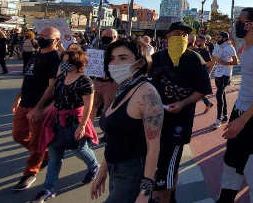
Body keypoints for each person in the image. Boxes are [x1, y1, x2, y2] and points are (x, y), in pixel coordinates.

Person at [91, 39, 163, 203]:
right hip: (114, 168)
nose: (115, 63)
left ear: (140, 62)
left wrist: (145, 191)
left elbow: (153, 147)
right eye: (112, 58)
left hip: (133, 173)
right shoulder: (123, 88)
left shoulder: (147, 94)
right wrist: (103, 170)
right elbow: (113, 136)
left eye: (123, 58)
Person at [149, 22, 212, 203]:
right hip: (155, 120)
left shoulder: (195, 60)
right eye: (177, 34)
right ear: (167, 37)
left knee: (169, 165)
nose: (181, 38)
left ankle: (165, 196)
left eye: (185, 35)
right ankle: (169, 195)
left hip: (180, 122)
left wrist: (183, 103)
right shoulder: (157, 59)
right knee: (160, 164)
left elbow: (202, 90)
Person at [218, 8, 253, 203]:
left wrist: (243, 119)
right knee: (231, 162)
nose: (236, 23)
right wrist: (237, 115)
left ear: (250, 24)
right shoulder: (245, 46)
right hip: (240, 112)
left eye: (239, 20)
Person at [29, 48, 100, 202]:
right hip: (56, 121)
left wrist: (82, 126)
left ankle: (94, 167)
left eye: (68, 62)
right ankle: (48, 189)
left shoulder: (85, 81)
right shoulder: (62, 76)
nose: (64, 64)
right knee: (55, 156)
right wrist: (38, 109)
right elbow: (51, 92)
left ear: (77, 63)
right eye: (63, 61)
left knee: (80, 150)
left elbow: (89, 105)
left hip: (75, 122)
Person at [11, 27, 62, 191]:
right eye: (41, 35)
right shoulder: (35, 55)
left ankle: (30, 172)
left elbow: (52, 87)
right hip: (25, 103)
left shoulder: (55, 58)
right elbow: (28, 79)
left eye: (47, 36)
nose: (42, 38)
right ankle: (44, 154)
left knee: (37, 141)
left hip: (39, 106)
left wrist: (39, 108)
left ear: (56, 41)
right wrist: (18, 99)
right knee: (18, 135)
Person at [211, 32, 238, 128]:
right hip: (217, 74)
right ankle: (225, 115)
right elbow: (213, 60)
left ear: (224, 38)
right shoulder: (216, 46)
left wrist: (225, 63)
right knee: (222, 94)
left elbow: (236, 62)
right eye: (217, 36)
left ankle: (218, 119)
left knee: (218, 94)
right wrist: (209, 73)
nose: (217, 38)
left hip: (226, 75)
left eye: (219, 37)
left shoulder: (230, 47)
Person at [90, 28, 118, 120]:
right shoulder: (98, 47)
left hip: (111, 83)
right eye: (103, 37)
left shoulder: (120, 50)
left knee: (107, 107)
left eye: (107, 37)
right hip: (97, 81)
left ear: (114, 37)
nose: (104, 38)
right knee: (92, 106)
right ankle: (88, 129)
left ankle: (105, 128)